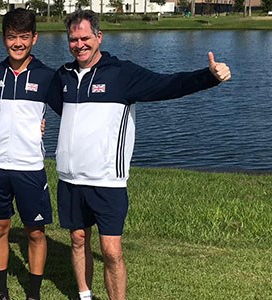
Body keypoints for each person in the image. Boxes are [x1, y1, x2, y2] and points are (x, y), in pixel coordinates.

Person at [53, 10, 231, 300]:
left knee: (111, 251)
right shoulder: (63, 75)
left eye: (85, 37)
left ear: (99, 37)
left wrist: (209, 77)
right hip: (70, 178)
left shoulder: (122, 74)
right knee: (77, 239)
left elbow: (169, 84)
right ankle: (84, 296)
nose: (79, 44)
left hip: (107, 180)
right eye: (73, 39)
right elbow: (42, 101)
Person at [0, 8, 60, 300]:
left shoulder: (47, 76)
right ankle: (1, 292)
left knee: (35, 232)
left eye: (24, 37)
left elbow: (72, 112)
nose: (18, 43)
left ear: (34, 38)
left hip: (30, 166)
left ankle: (33, 294)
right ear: (3, 39)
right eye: (12, 37)